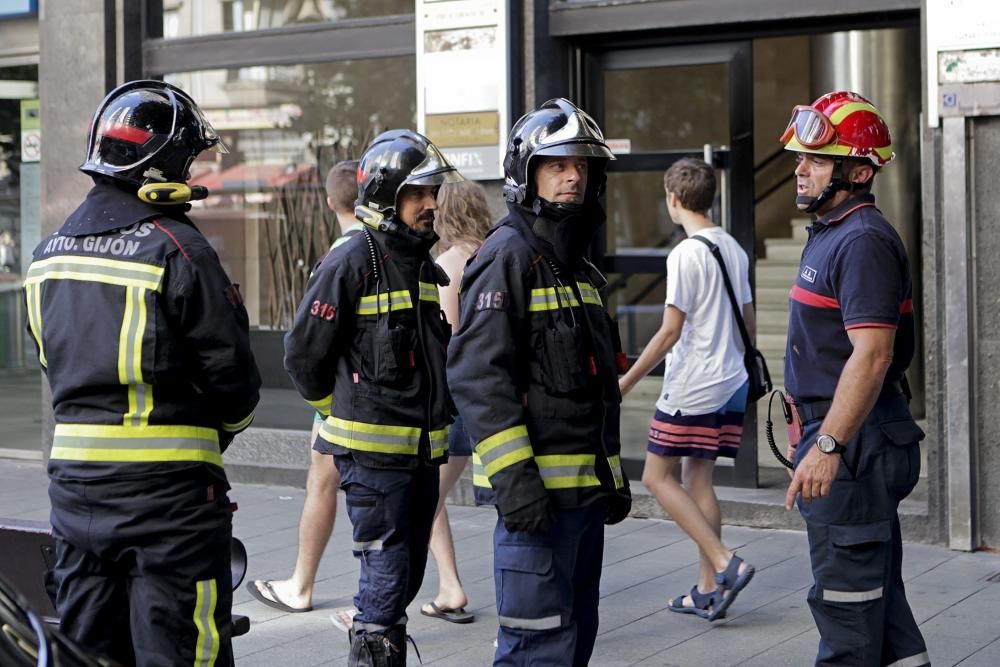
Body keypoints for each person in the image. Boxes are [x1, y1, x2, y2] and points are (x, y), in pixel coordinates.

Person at [24, 80, 261, 666]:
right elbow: (237, 386)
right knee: (182, 653)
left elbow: (54, 363)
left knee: (87, 653)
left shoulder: (47, 255)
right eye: (190, 155)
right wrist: (210, 432)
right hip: (172, 506)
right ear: (162, 160)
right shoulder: (178, 248)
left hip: (75, 497)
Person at [447, 98, 632, 666]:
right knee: (537, 649)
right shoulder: (507, 256)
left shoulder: (577, 268)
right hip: (534, 504)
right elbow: (480, 379)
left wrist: (612, 475)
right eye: (557, 165)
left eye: (582, 165)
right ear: (526, 174)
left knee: (575, 641)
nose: (574, 175)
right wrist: (515, 482)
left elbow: (597, 390)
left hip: (582, 498)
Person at [284, 129, 462, 666]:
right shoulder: (350, 261)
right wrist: (337, 410)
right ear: (386, 195)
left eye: (432, 192)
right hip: (372, 459)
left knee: (402, 577)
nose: (430, 203)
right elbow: (302, 355)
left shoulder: (420, 267)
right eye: (417, 194)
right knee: (386, 582)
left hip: (421, 456)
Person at [779, 90, 928, 666]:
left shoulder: (862, 240)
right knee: (879, 604)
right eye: (800, 157)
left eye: (816, 160)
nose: (800, 168)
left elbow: (871, 356)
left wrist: (827, 444)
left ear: (858, 171)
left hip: (855, 441)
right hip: (853, 435)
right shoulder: (834, 231)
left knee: (847, 604)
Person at [618, 157, 756, 622]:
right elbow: (749, 321)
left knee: (657, 477)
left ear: (673, 199)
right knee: (699, 479)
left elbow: (670, 330)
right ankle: (707, 590)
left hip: (694, 385)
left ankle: (725, 562)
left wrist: (628, 381)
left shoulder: (686, 253)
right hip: (731, 382)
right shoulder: (732, 248)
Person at [247, 159, 363, 614]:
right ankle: (446, 583)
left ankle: (301, 585)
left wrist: (324, 406)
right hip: (385, 403)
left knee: (321, 486)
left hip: (343, 401)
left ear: (331, 201)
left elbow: (306, 347)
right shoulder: (390, 250)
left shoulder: (339, 257)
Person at [417, 181, 493, 625]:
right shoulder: (493, 254)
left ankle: (450, 587)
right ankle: (449, 587)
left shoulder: (448, 263)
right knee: (435, 496)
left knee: (426, 496)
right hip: (491, 395)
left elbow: (448, 336)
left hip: (456, 399)